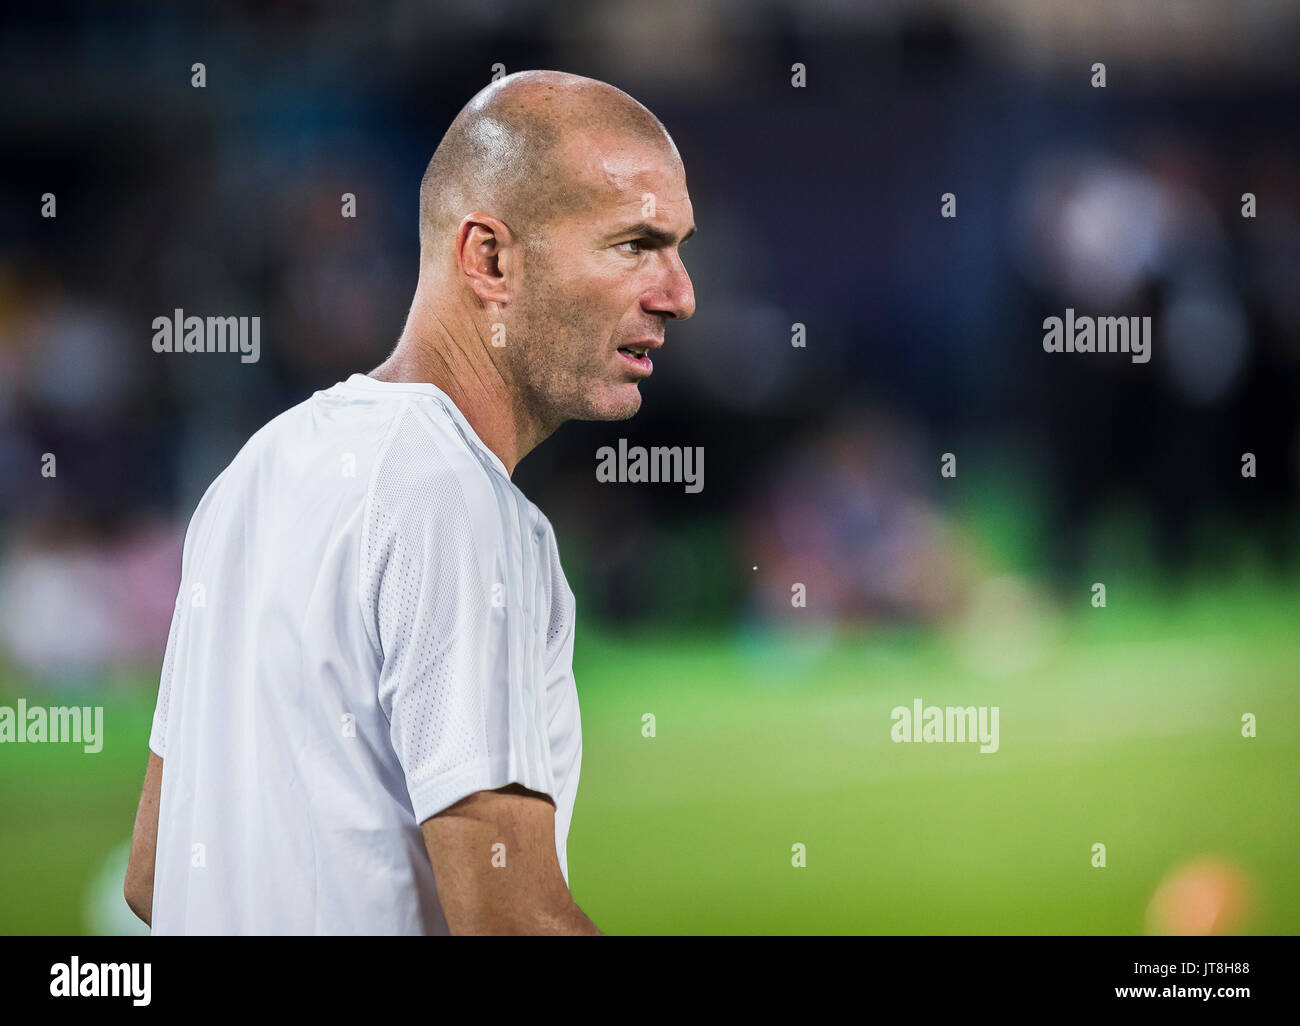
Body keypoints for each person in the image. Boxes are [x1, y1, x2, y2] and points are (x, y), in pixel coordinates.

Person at [124, 70, 696, 935]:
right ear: (489, 258)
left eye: (678, 246)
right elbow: (508, 918)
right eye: (634, 244)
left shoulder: (258, 469)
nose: (679, 294)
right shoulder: (453, 500)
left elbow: (154, 874)